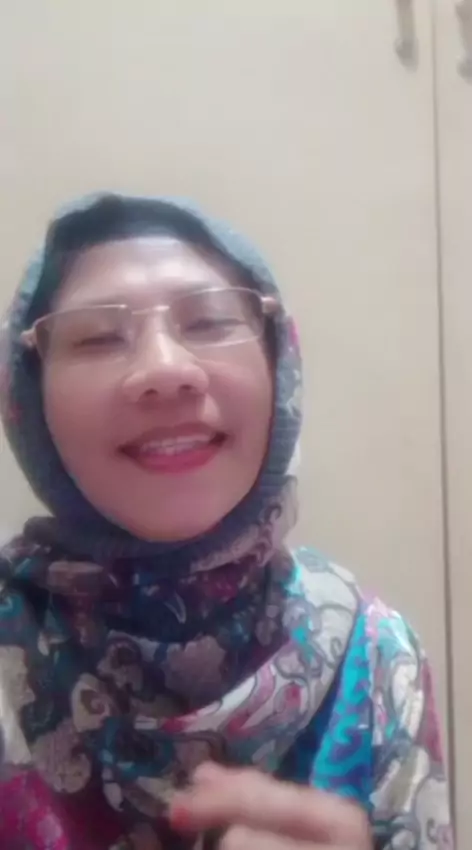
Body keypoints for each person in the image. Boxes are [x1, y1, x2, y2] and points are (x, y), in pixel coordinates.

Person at [0, 193, 451, 850]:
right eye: (97, 337)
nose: (164, 371)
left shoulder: (376, 652)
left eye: (210, 322)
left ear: (279, 364)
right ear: (28, 399)